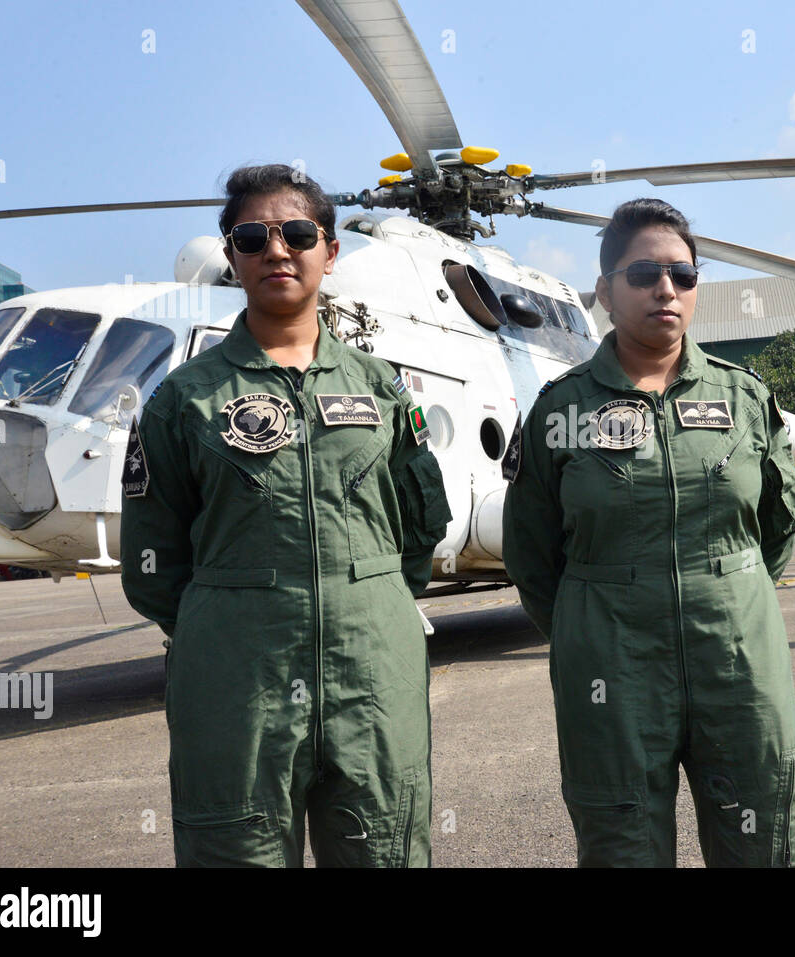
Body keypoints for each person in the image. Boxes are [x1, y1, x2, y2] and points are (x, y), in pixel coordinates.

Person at [120, 164, 451, 867]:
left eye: (298, 232)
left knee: (384, 846)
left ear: (330, 252)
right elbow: (152, 562)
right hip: (238, 681)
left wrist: (370, 599)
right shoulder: (184, 400)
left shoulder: (381, 389)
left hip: (374, 673)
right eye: (252, 236)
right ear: (231, 255)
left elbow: (420, 527)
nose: (277, 250)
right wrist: (229, 621)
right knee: (236, 849)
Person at [502, 198, 795, 867]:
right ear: (605, 291)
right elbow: (531, 550)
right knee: (621, 840)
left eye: (683, 273)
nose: (665, 288)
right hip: (610, 665)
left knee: (767, 831)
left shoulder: (743, 399)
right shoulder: (563, 408)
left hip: (736, 655)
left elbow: (779, 523)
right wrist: (590, 627)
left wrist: (730, 591)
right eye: (643, 274)